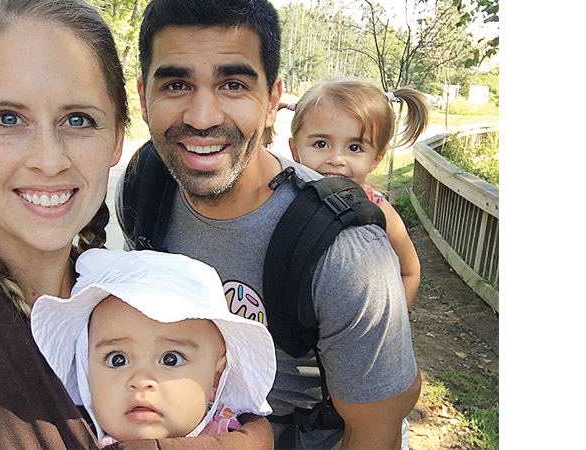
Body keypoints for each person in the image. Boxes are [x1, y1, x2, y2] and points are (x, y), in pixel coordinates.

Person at [0, 0, 272, 448]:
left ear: (116, 138)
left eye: (78, 120)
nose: (49, 161)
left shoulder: (133, 298)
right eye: (7, 119)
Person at [116, 0, 421, 448]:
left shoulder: (343, 252)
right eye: (177, 84)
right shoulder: (146, 186)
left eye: (234, 84)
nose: (202, 118)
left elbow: (374, 434)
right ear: (144, 98)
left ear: (271, 102)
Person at [31, 248, 276, 447]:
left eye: (171, 359)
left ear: (215, 379)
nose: (140, 381)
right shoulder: (61, 439)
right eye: (117, 359)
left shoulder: (239, 442)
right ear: (86, 374)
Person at [287, 77, 427, 309]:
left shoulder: (376, 208)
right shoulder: (282, 198)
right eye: (321, 144)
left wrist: (390, 326)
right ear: (294, 149)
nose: (336, 159)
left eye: (355, 148)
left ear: (375, 159)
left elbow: (410, 271)